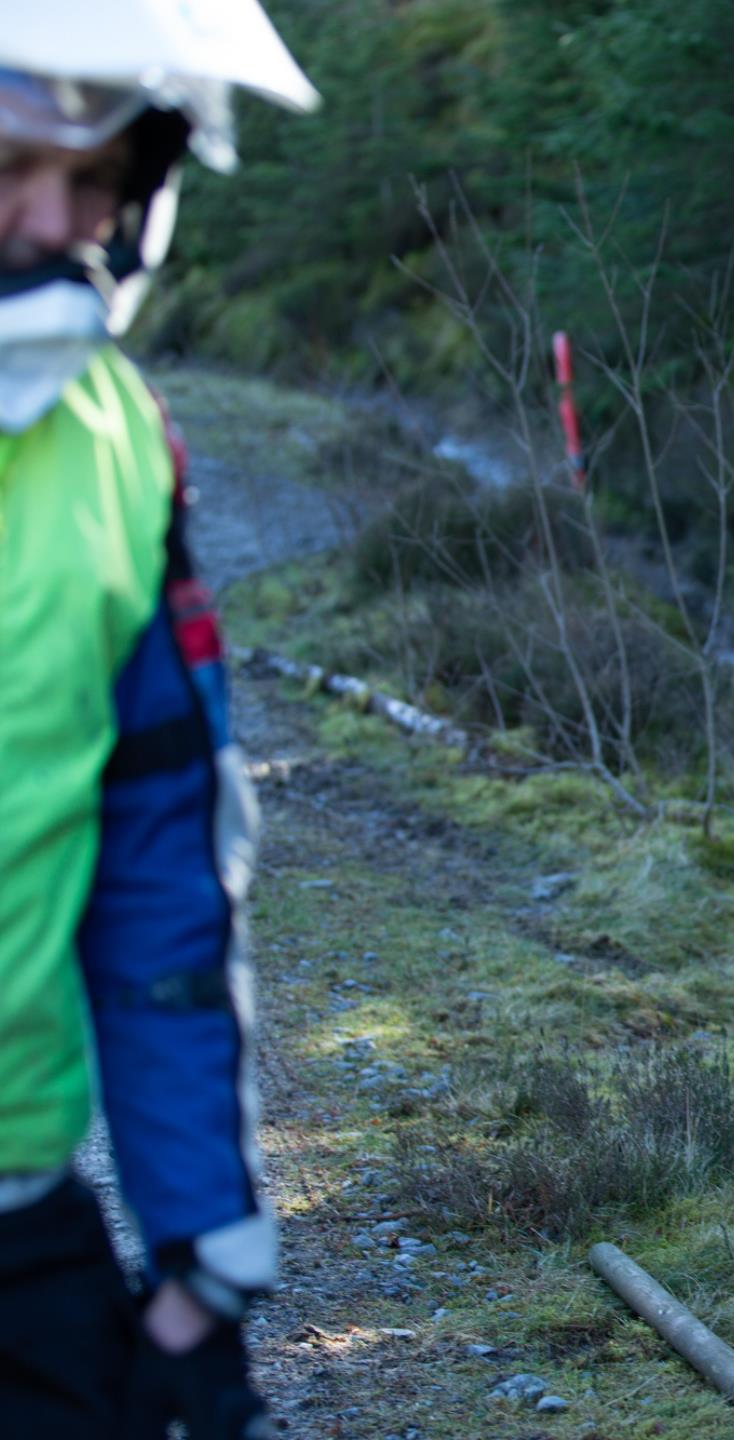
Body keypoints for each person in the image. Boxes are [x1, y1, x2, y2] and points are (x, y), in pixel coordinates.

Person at [0, 7, 318, 1436]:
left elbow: (159, 873)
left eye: (93, 179)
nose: (47, 224)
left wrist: (200, 1253)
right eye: (8, 166)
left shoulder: (121, 445)